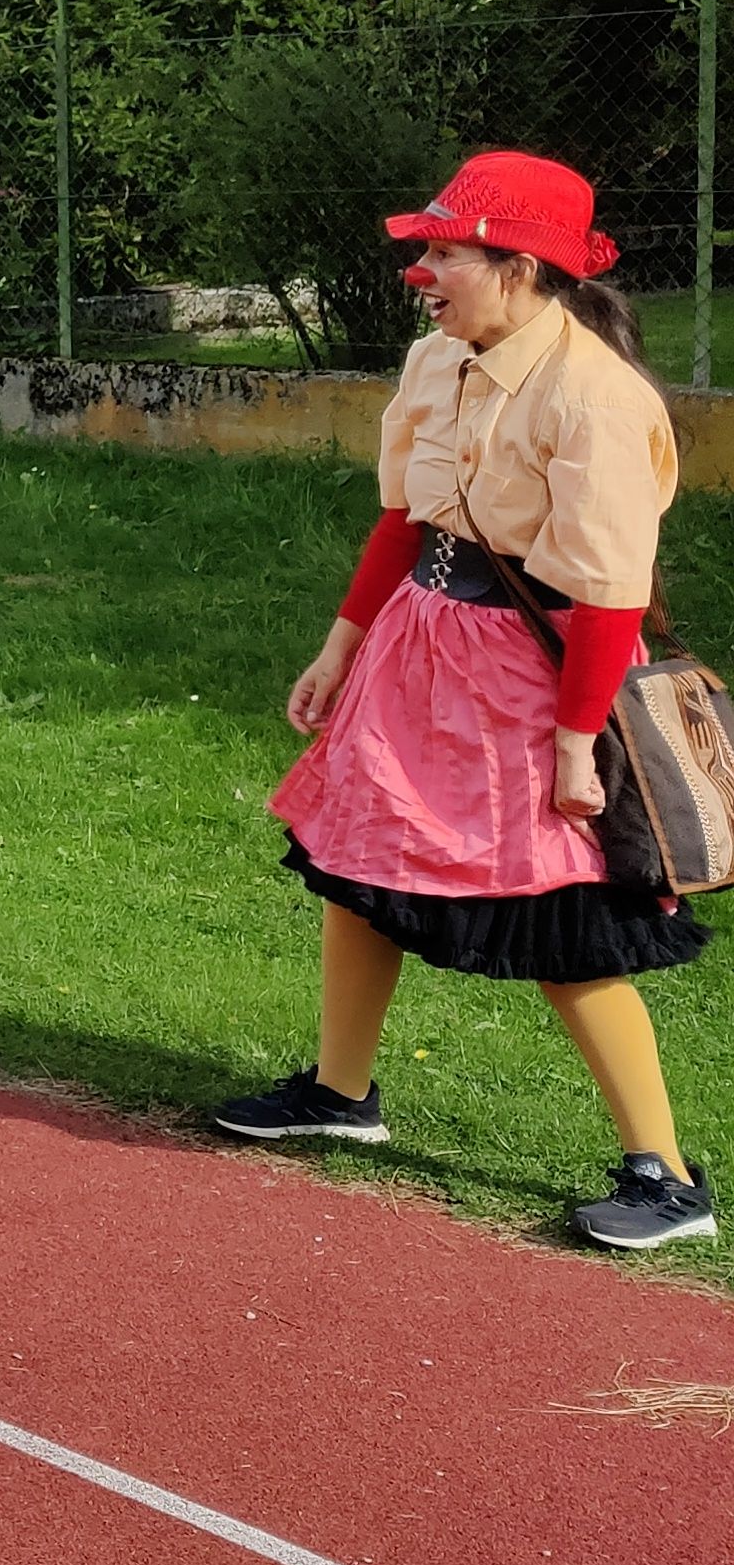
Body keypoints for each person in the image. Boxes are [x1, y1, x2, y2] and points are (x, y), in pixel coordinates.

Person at [218, 151, 714, 1250]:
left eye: (444, 254)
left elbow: (609, 595)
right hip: (420, 646)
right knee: (358, 867)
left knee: (562, 916)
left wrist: (575, 746)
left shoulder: (595, 397)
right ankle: (340, 1093)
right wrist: (340, 648)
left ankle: (667, 1178)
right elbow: (406, 519)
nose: (422, 275)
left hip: (535, 678)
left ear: (519, 267)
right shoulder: (437, 357)